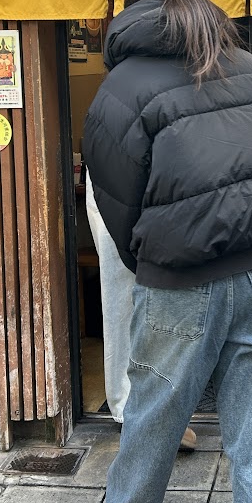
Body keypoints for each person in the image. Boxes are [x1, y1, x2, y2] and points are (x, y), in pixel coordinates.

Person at [83, 0, 252, 503]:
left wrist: (149, 264)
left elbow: (115, 203)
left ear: (134, 19)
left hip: (178, 279)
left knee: (155, 413)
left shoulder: (122, 87)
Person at [82, 168, 196, 451]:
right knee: (123, 290)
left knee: (155, 290)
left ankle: (148, 404)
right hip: (119, 173)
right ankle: (134, 407)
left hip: (150, 169)